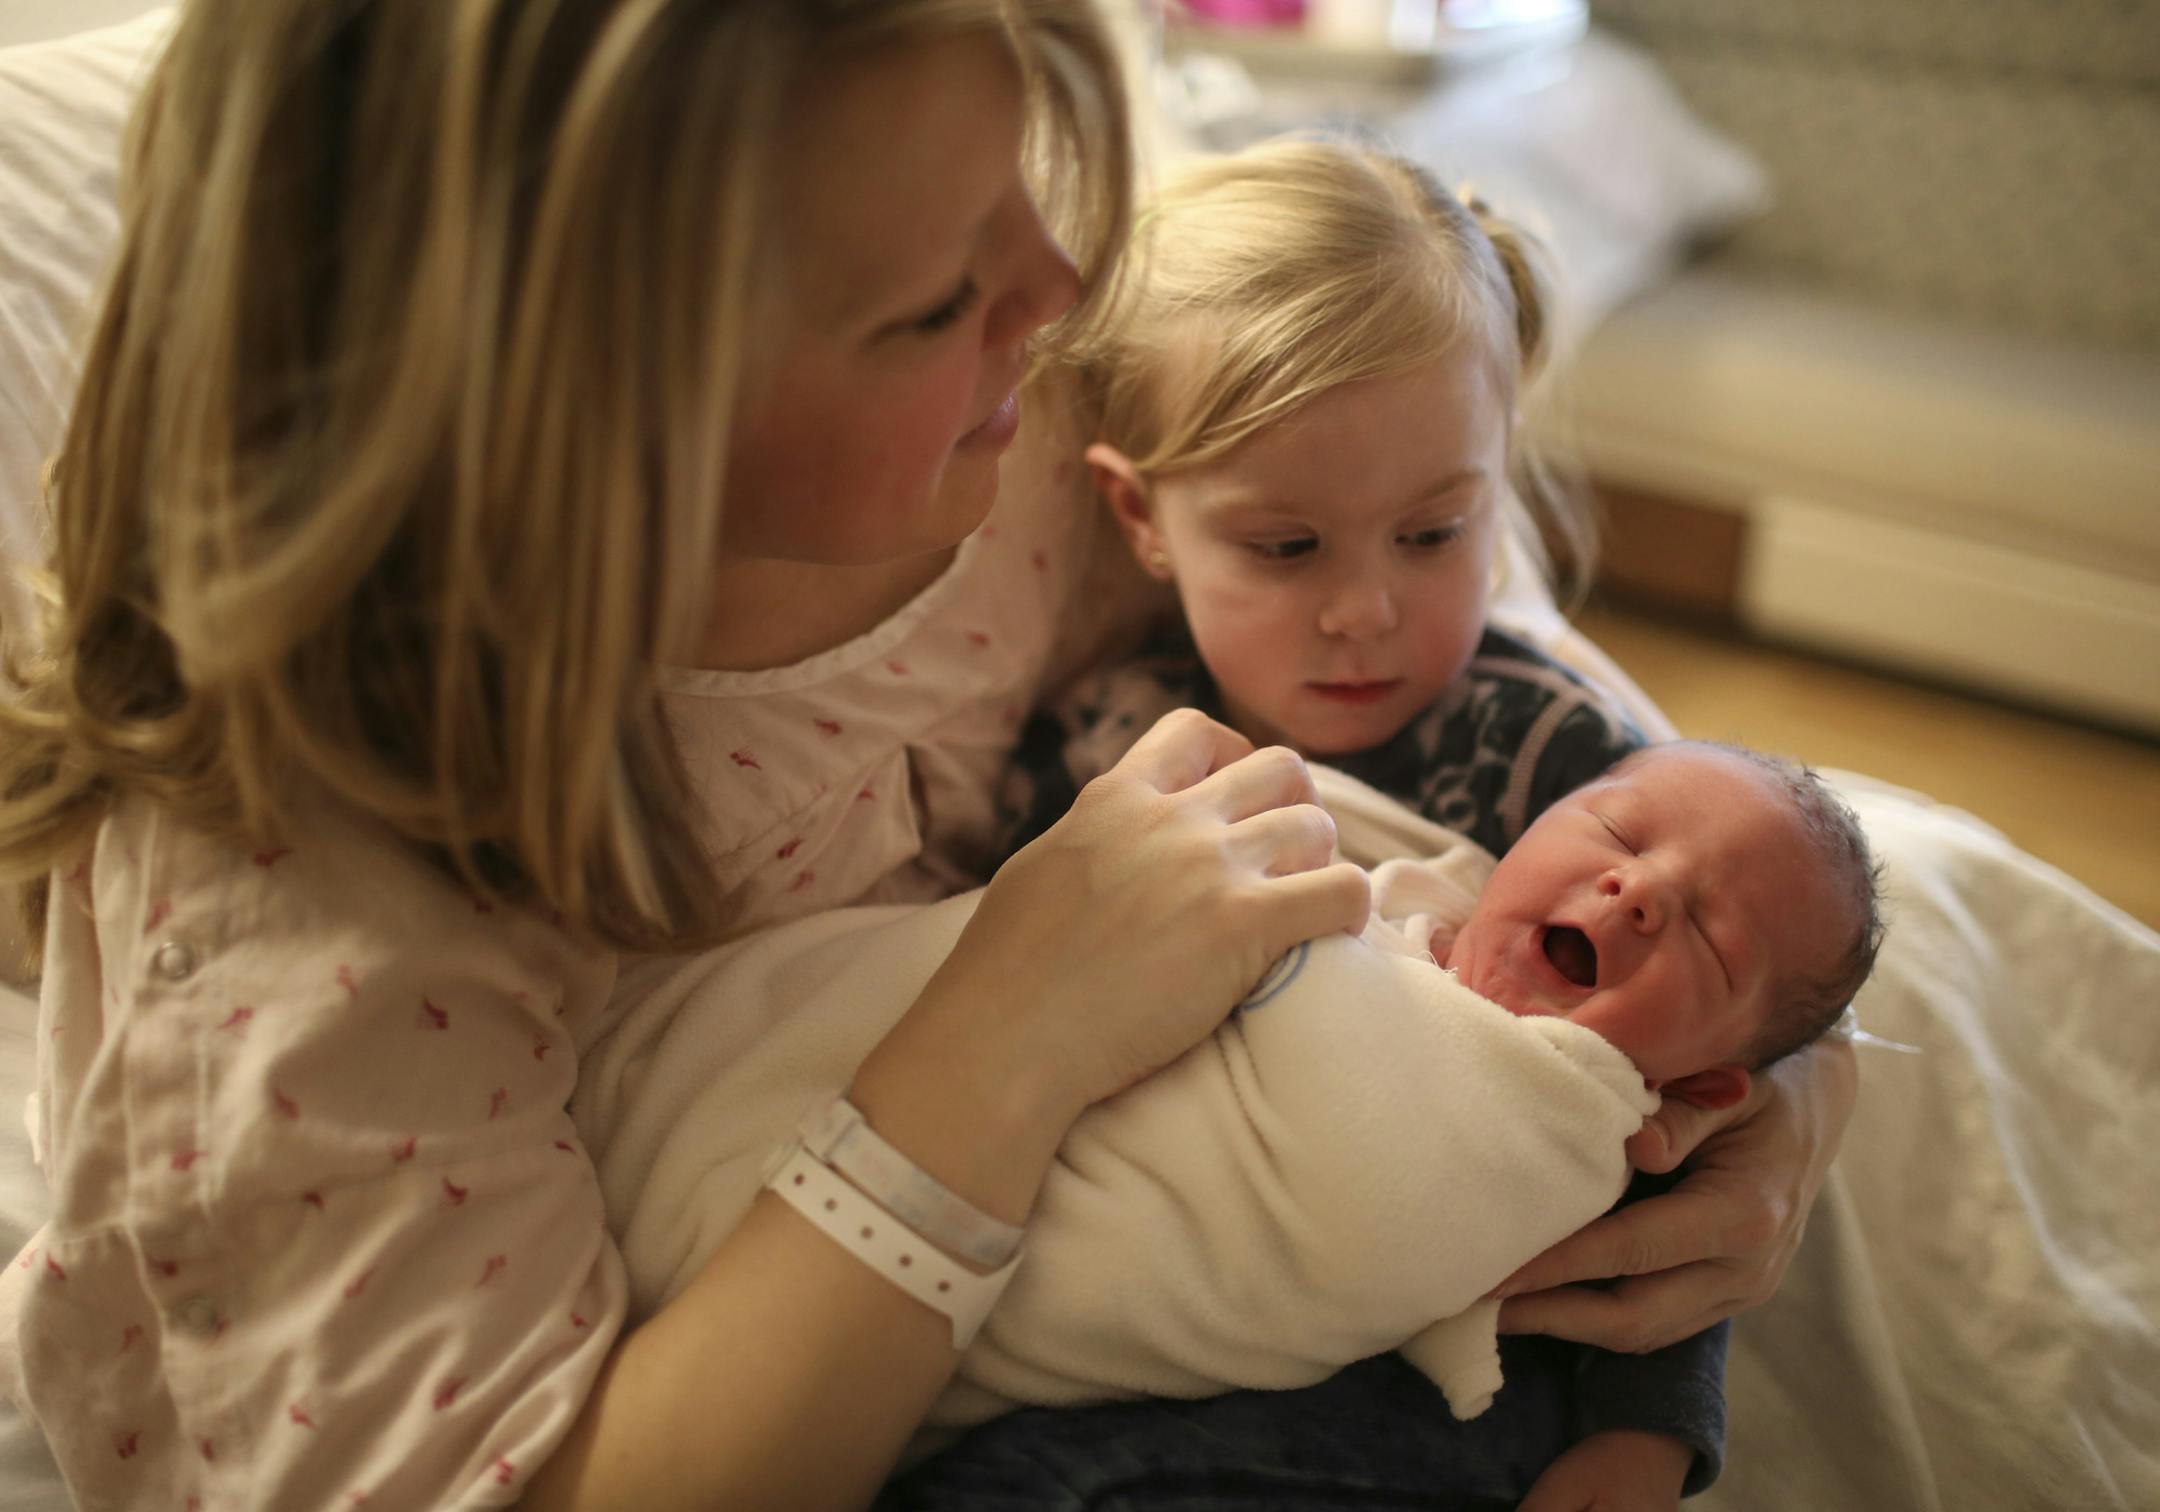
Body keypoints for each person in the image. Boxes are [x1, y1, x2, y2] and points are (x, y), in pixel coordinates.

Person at [0, 4, 1855, 1509]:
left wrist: (1777, 1075)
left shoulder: (1035, 425)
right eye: (926, 300)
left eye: (1024, 206)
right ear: (591, 409)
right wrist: (1008, 1025)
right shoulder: (318, 890)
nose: (1056, 293)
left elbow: (1530, 695)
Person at [975, 137, 1749, 1505]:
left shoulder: (1567, 777)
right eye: (1287, 548)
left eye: (1435, 532)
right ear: (1138, 514)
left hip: (1454, 1345)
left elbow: (1672, 1126)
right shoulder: (1096, 748)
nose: (1366, 612)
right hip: (1158, 1290)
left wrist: (1644, 1440)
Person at [589, 738, 1882, 1512]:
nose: (1640, 889)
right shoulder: (1430, 897)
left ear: (1704, 1094)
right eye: (1615, 828)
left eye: (1710, 937)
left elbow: (1369, 1178)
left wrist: (1658, 1418)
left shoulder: (1553, 1115)